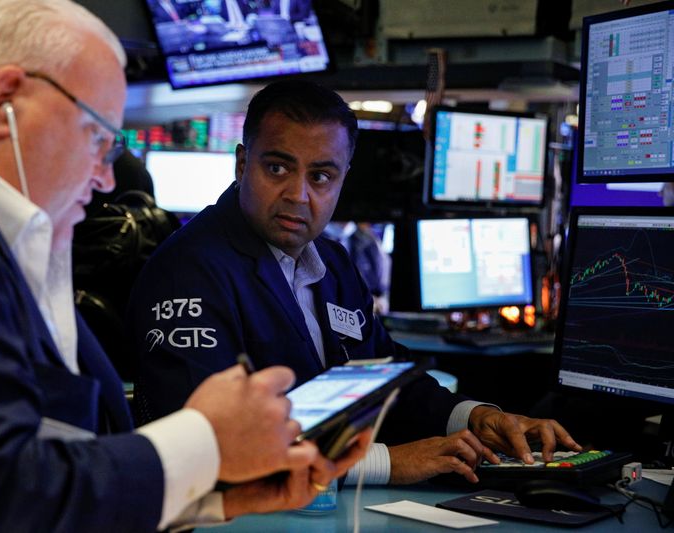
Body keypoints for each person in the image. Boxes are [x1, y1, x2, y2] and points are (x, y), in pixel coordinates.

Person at [0, 2, 369, 531]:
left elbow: (52, 452)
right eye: (97, 136)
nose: (107, 179)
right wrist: (205, 443)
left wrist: (214, 498)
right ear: (5, 101)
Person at [128, 80, 581, 486]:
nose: (298, 194)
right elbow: (206, 445)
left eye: (320, 176)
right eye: (278, 168)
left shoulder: (332, 263)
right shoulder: (189, 269)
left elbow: (384, 375)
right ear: (242, 163)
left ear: (343, 179)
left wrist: (473, 417)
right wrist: (385, 463)